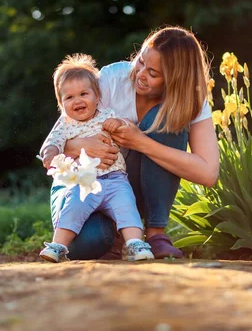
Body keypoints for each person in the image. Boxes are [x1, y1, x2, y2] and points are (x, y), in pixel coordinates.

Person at [41, 26, 220, 260]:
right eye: (141, 61)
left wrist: (140, 142)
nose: (140, 74)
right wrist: (81, 146)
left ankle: (155, 235)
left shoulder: (190, 102)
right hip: (82, 185)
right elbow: (58, 136)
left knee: (168, 119)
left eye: (153, 73)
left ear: (175, 80)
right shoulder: (112, 79)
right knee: (91, 242)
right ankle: (118, 238)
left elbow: (208, 173)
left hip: (122, 186)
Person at [39, 53, 154, 263]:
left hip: (115, 180)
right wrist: (51, 153)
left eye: (84, 93)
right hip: (83, 183)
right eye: (69, 97)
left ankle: (136, 244)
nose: (78, 100)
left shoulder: (106, 115)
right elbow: (51, 143)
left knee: (126, 207)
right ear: (61, 103)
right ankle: (58, 245)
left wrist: (118, 123)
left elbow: (128, 131)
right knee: (72, 208)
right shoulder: (64, 125)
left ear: (97, 96)